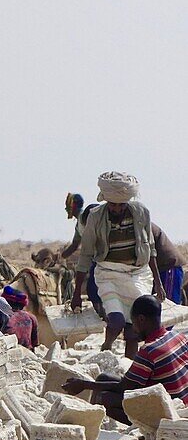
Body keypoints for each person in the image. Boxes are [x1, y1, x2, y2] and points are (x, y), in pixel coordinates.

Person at [72, 172, 163, 358]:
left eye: (121, 205)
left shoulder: (141, 213)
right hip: (108, 274)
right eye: (112, 205)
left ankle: (130, 367)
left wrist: (158, 284)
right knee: (116, 321)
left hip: (137, 274)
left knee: (134, 329)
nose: (117, 209)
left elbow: (151, 249)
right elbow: (86, 255)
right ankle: (106, 348)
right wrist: (76, 294)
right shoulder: (96, 217)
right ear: (105, 200)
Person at [63, 295, 188, 424]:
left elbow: (123, 387)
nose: (133, 329)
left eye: (134, 323)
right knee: (103, 378)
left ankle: (93, 424)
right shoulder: (178, 337)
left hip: (170, 411)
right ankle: (91, 421)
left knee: (104, 398)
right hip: (182, 401)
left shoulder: (149, 350)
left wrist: (83, 385)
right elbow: (127, 385)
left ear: (141, 319)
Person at [152, 224, 185, 305]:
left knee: (168, 306)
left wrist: (158, 282)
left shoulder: (141, 223)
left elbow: (150, 254)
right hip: (158, 270)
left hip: (167, 267)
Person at [2, 285, 39, 350]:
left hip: (9, 355)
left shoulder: (1, 317)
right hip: (28, 354)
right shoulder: (32, 318)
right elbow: (35, 344)